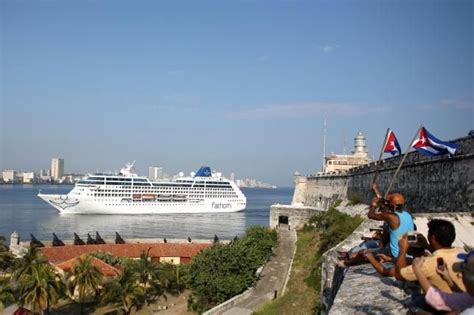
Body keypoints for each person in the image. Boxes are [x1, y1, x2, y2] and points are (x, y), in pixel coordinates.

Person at [396, 219, 466, 294]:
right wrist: (426, 246)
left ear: (432, 238)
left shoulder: (428, 263)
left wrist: (402, 250)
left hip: (442, 303)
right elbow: (443, 254)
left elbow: (399, 276)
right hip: (464, 300)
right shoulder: (463, 253)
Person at [368, 182, 415, 259]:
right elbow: (383, 201)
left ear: (391, 205)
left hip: (395, 253)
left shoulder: (391, 216)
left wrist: (373, 204)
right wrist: (376, 190)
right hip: (407, 251)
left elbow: (371, 215)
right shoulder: (408, 214)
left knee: (364, 252)